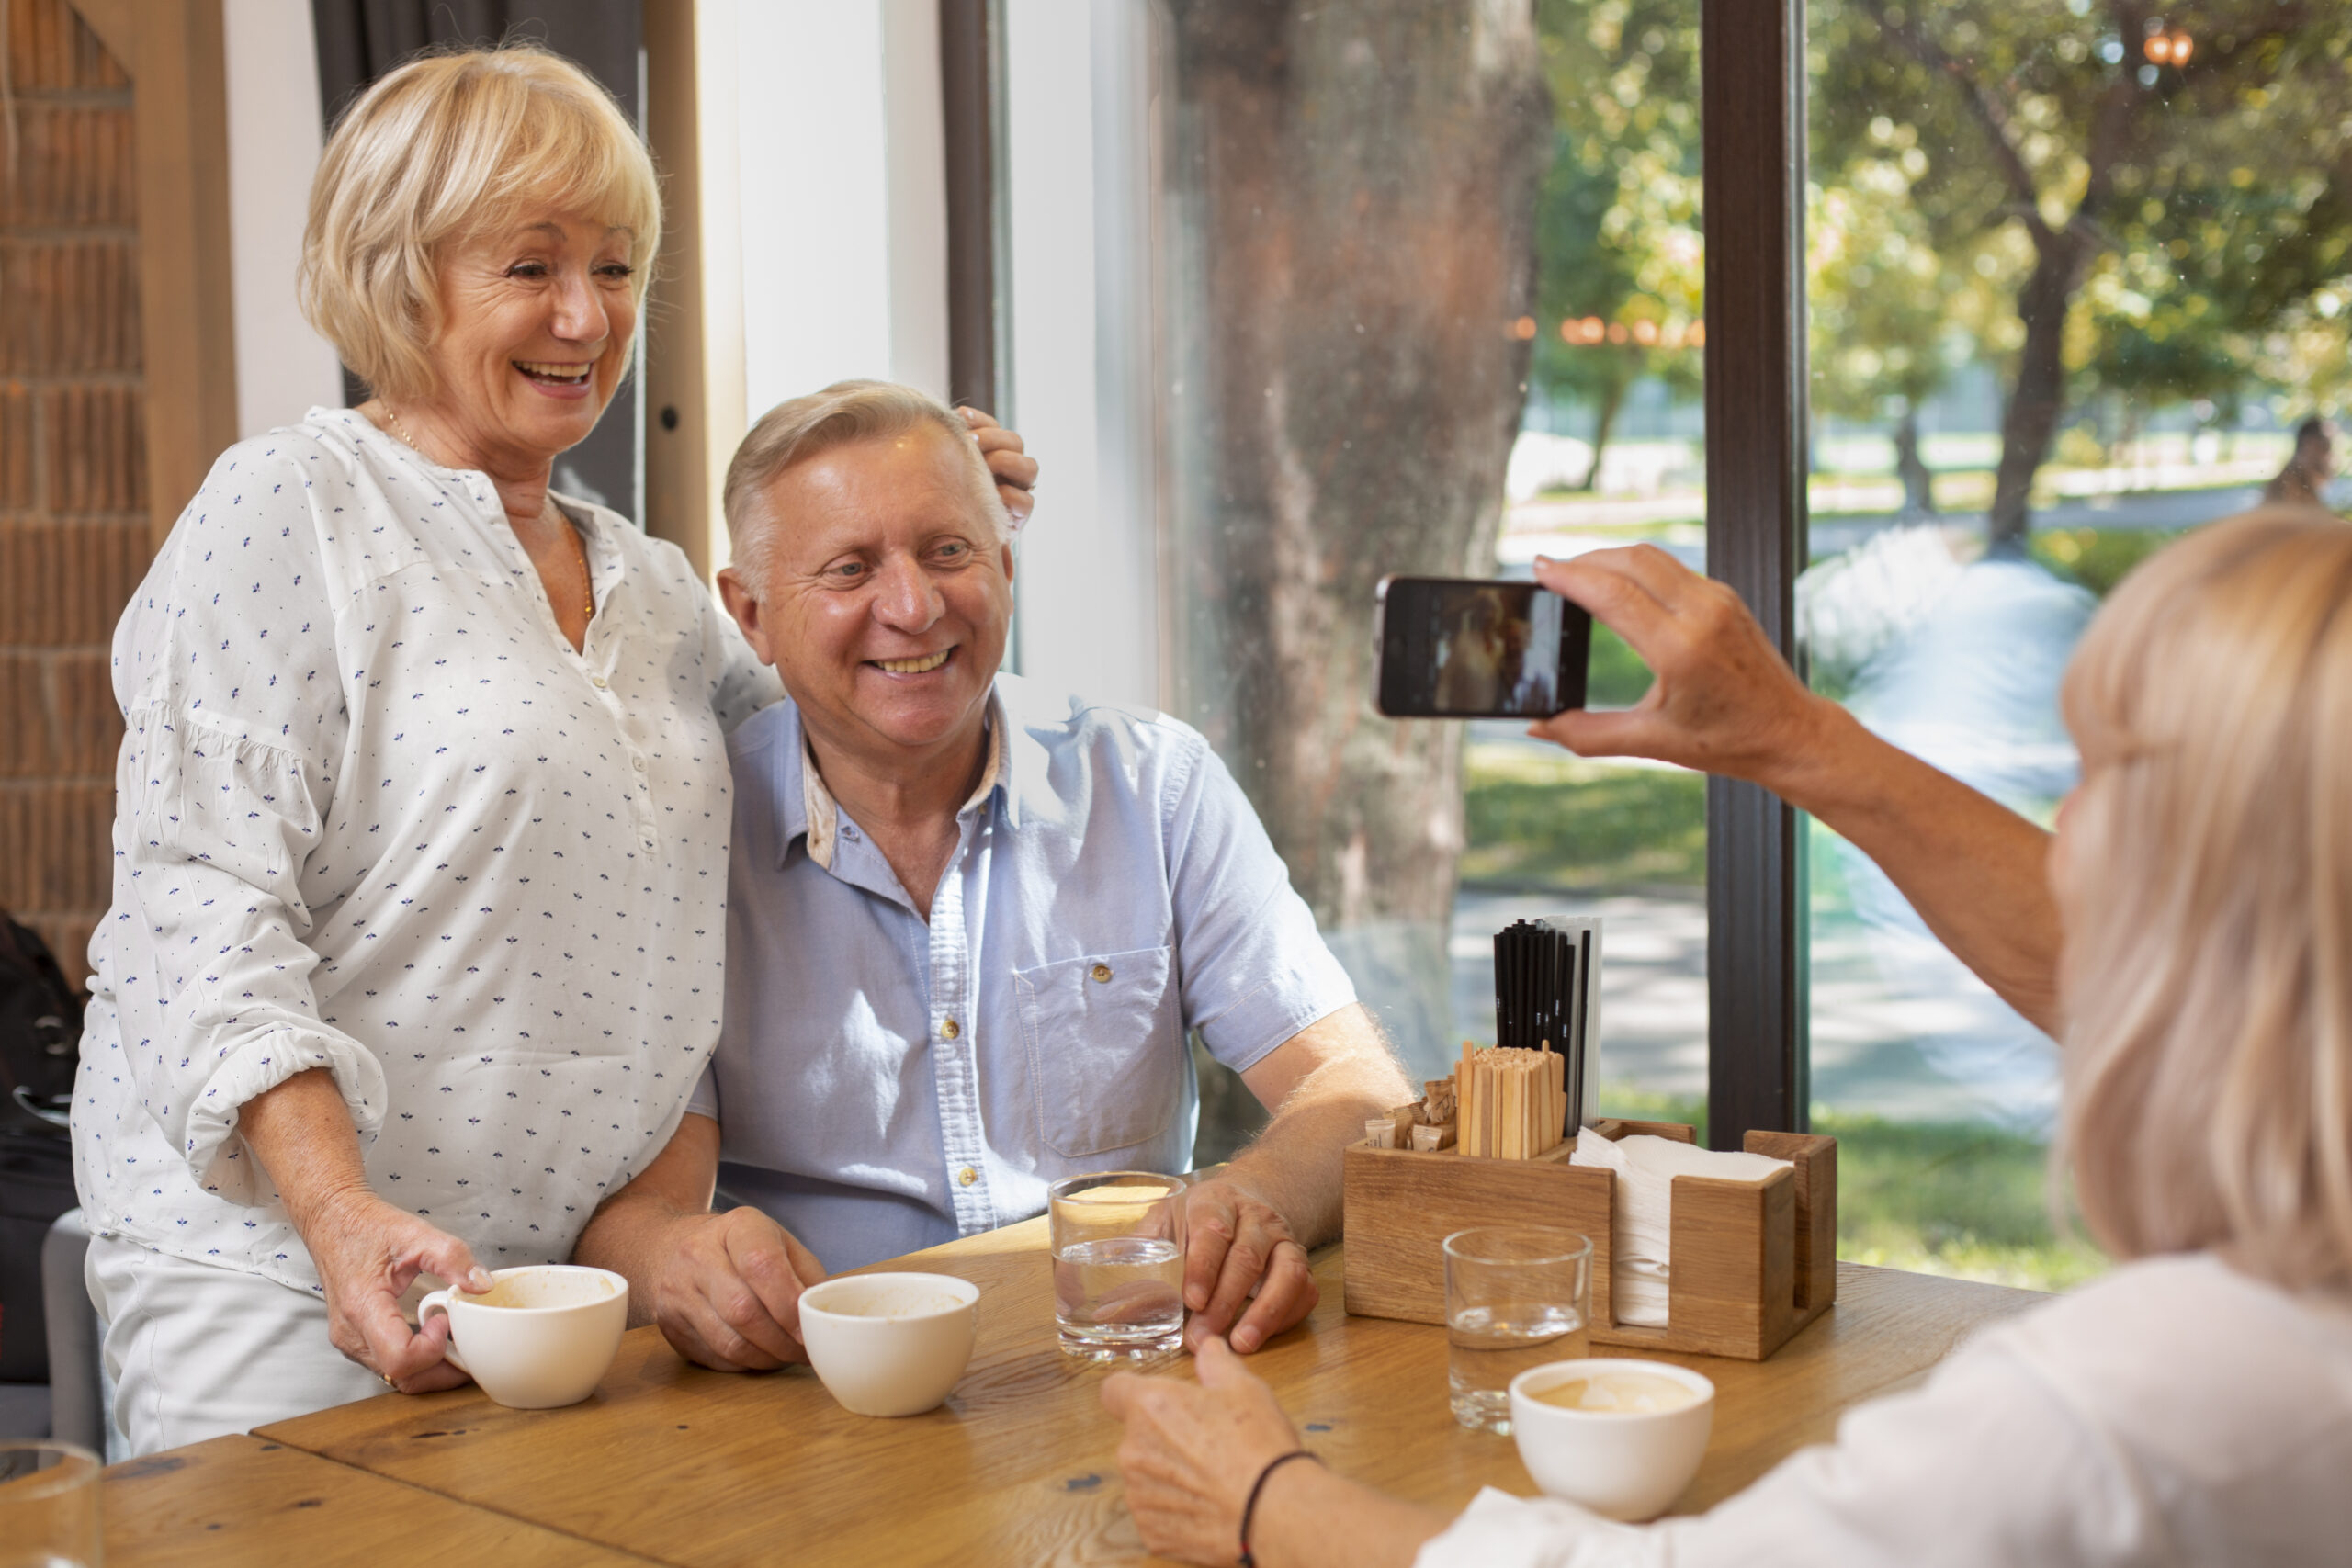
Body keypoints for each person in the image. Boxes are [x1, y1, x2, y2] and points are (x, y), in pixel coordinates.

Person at [68, 49, 1036, 1456]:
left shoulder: (650, 590)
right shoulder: (293, 505)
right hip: (279, 1279)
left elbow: (850, 717)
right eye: (530, 266)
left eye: (618, 266)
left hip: (556, 1300)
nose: (587, 315)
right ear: (405, 276)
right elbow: (198, 910)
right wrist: (339, 1217)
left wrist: (939, 525)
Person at [1103, 508, 2352, 1565]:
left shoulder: (2144, 1396)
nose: (2057, 836)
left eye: (2103, 776)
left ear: (2236, 885)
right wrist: (1792, 736)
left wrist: (1270, 1497)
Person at [572, 381, 1411, 1372]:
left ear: (1005, 567)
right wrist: (680, 1259)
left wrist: (1252, 1197)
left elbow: (1353, 1087)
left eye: (948, 552)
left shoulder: (1153, 787)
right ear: (751, 615)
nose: (914, 607)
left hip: (1123, 1364)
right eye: (849, 569)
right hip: (820, 1397)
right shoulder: (687, 837)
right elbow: (637, 1217)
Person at [2264, 416, 2336, 512]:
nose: (2331, 456)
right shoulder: (2290, 486)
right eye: (2326, 447)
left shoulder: (2302, 481)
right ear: (2309, 446)